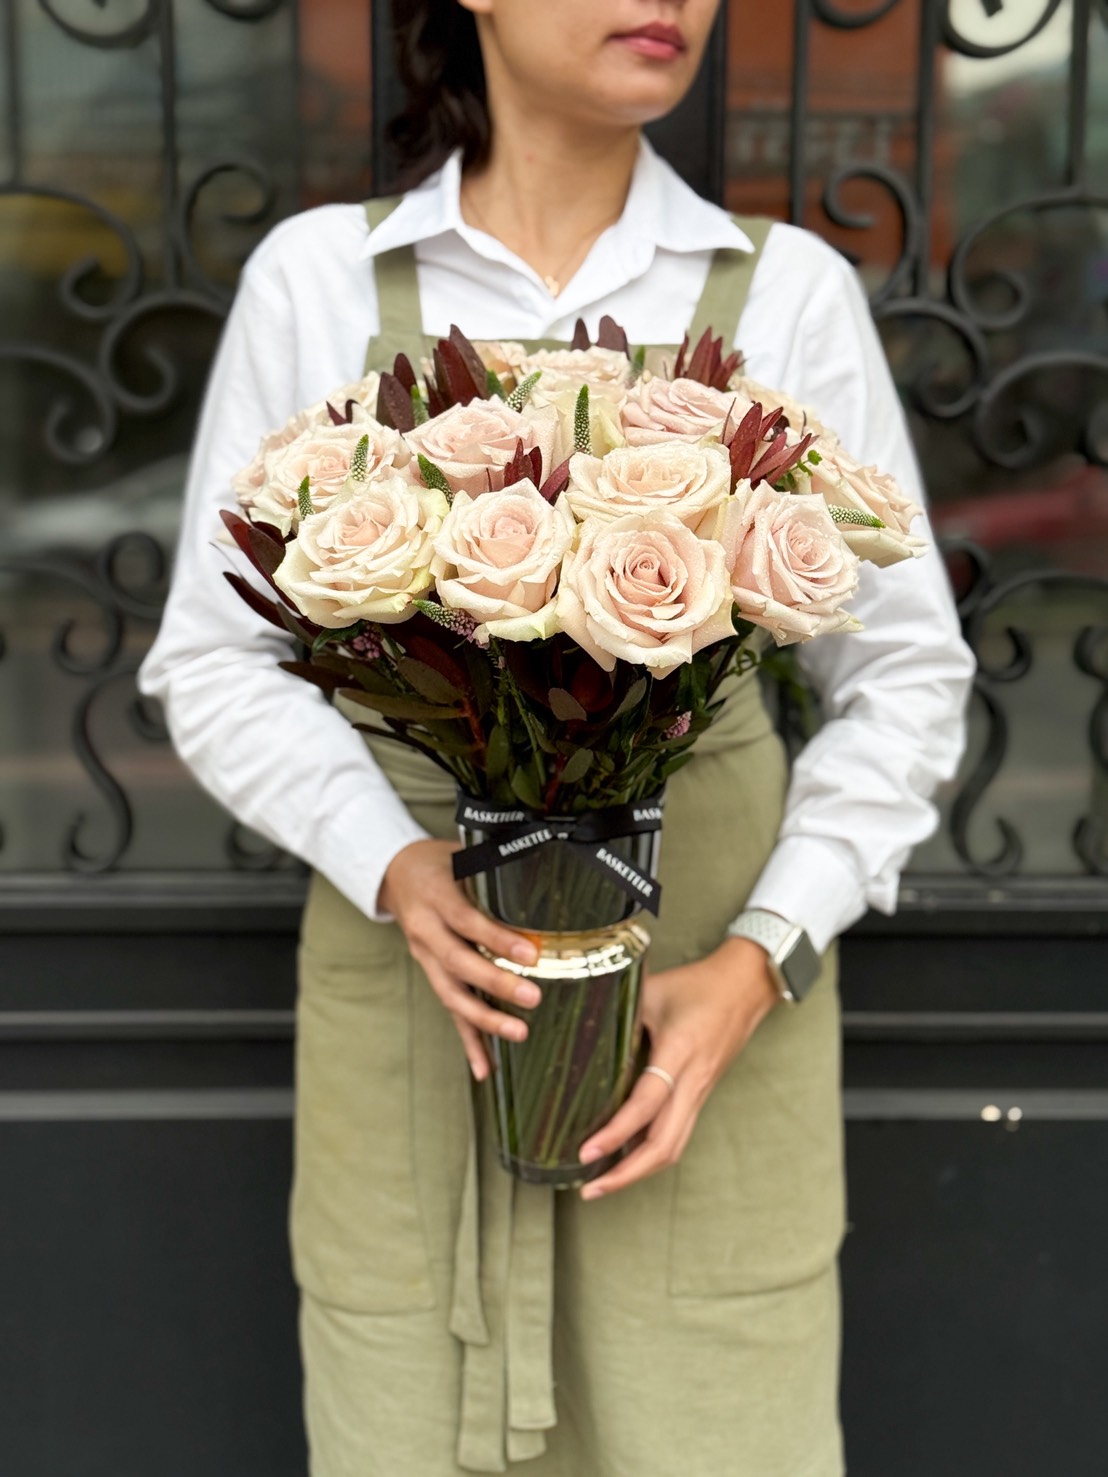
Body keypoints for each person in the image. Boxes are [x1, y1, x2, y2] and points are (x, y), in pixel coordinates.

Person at [140, 1, 974, 1472]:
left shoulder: (788, 296)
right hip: (420, 1019)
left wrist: (761, 957)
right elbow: (217, 659)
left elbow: (903, 669)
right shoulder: (321, 283)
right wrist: (390, 860)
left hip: (704, 1040)